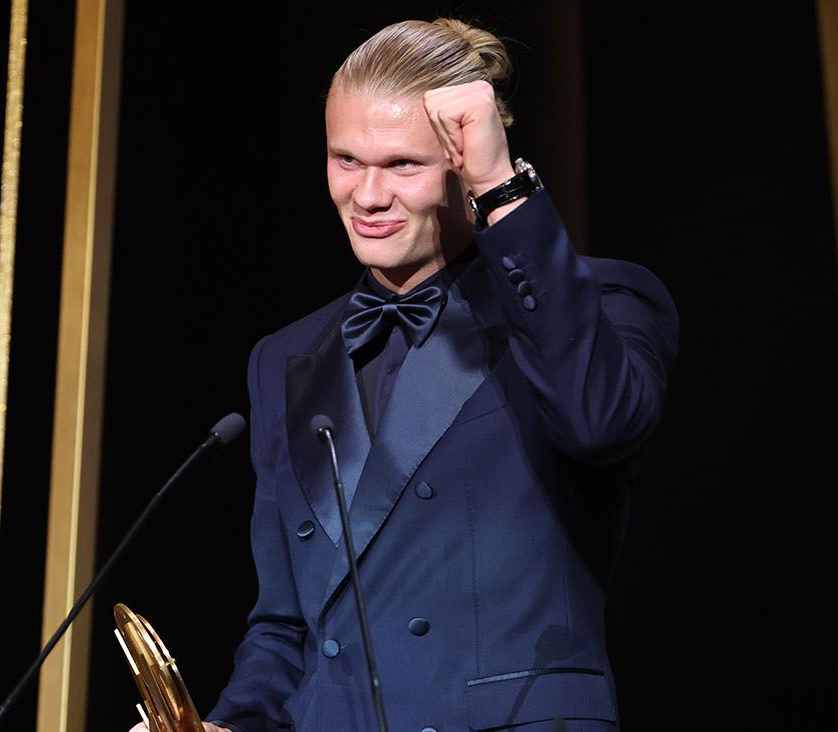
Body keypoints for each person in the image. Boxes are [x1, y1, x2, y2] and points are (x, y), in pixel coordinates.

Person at [134, 17, 677, 732]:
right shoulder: (283, 359)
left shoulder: (599, 303)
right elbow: (284, 629)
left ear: (464, 160)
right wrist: (230, 726)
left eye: (402, 165)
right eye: (346, 160)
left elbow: (600, 421)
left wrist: (500, 186)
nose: (366, 195)